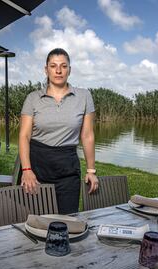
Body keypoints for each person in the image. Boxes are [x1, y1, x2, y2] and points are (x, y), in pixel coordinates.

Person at [19, 48, 98, 214]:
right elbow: (24, 136)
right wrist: (26, 170)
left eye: (63, 66)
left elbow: (87, 135)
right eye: (53, 66)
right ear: (46, 69)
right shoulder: (32, 98)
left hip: (67, 169)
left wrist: (91, 170)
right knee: (35, 221)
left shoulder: (84, 96)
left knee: (68, 221)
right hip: (36, 167)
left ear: (70, 69)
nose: (58, 70)